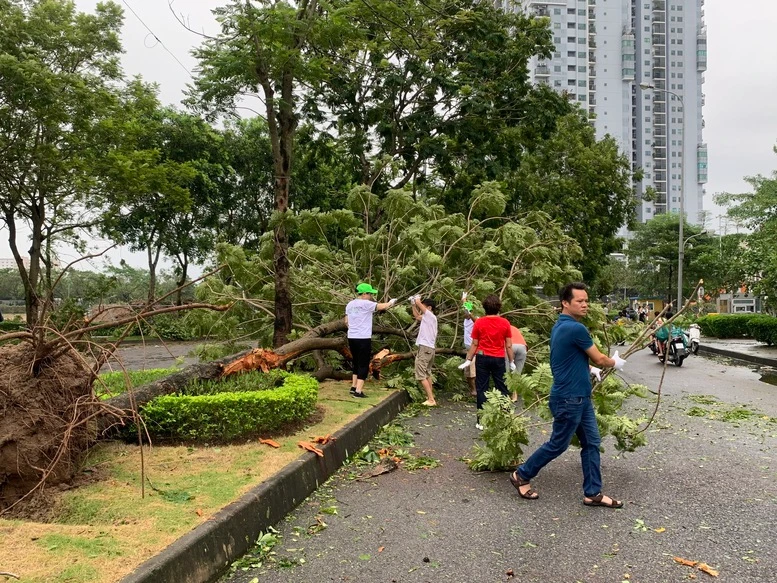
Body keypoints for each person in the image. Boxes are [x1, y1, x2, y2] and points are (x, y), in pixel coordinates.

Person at [509, 282, 627, 508]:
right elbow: (600, 357)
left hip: (581, 398)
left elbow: (566, 358)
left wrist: (589, 369)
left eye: (586, 301)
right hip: (569, 399)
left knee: (592, 443)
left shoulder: (560, 326)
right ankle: (521, 475)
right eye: (579, 301)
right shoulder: (575, 329)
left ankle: (593, 493)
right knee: (558, 444)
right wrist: (614, 362)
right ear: (565, 302)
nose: (585, 305)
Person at [458, 294, 514, 430]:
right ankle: (505, 417)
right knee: (502, 388)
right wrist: (512, 361)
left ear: (484, 307)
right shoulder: (505, 322)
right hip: (498, 358)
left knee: (482, 388)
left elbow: (474, 343)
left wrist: (468, 359)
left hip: (482, 357)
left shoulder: (479, 322)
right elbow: (508, 345)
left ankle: (481, 421)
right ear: (499, 307)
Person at [345, 283, 397, 398]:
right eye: (370, 294)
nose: (371, 296)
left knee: (356, 362)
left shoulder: (350, 304)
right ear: (364, 294)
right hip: (363, 337)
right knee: (363, 363)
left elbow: (346, 321)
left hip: (352, 337)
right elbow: (382, 306)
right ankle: (358, 391)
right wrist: (391, 302)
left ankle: (353, 387)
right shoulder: (366, 303)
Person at [410, 295, 438, 406]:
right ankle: (430, 396)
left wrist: (417, 299)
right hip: (428, 348)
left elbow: (419, 304)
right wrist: (413, 304)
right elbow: (417, 316)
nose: (422, 309)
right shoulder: (427, 318)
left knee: (421, 374)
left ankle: (431, 400)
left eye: (424, 306)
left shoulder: (430, 316)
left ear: (429, 308)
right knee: (426, 373)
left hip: (426, 348)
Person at [462, 300, 478, 397]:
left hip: (475, 349)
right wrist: (464, 300)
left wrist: (466, 303)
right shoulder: (466, 320)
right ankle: (473, 390)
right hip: (469, 349)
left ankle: (475, 391)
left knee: (472, 371)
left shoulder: (476, 319)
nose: (465, 314)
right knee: (468, 371)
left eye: (466, 312)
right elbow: (466, 308)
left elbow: (476, 321)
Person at [508, 324, 528, 402]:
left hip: (510, 346)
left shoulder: (501, 328)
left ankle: (506, 395)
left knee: (507, 372)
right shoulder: (515, 328)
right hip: (522, 347)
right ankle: (514, 395)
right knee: (517, 373)